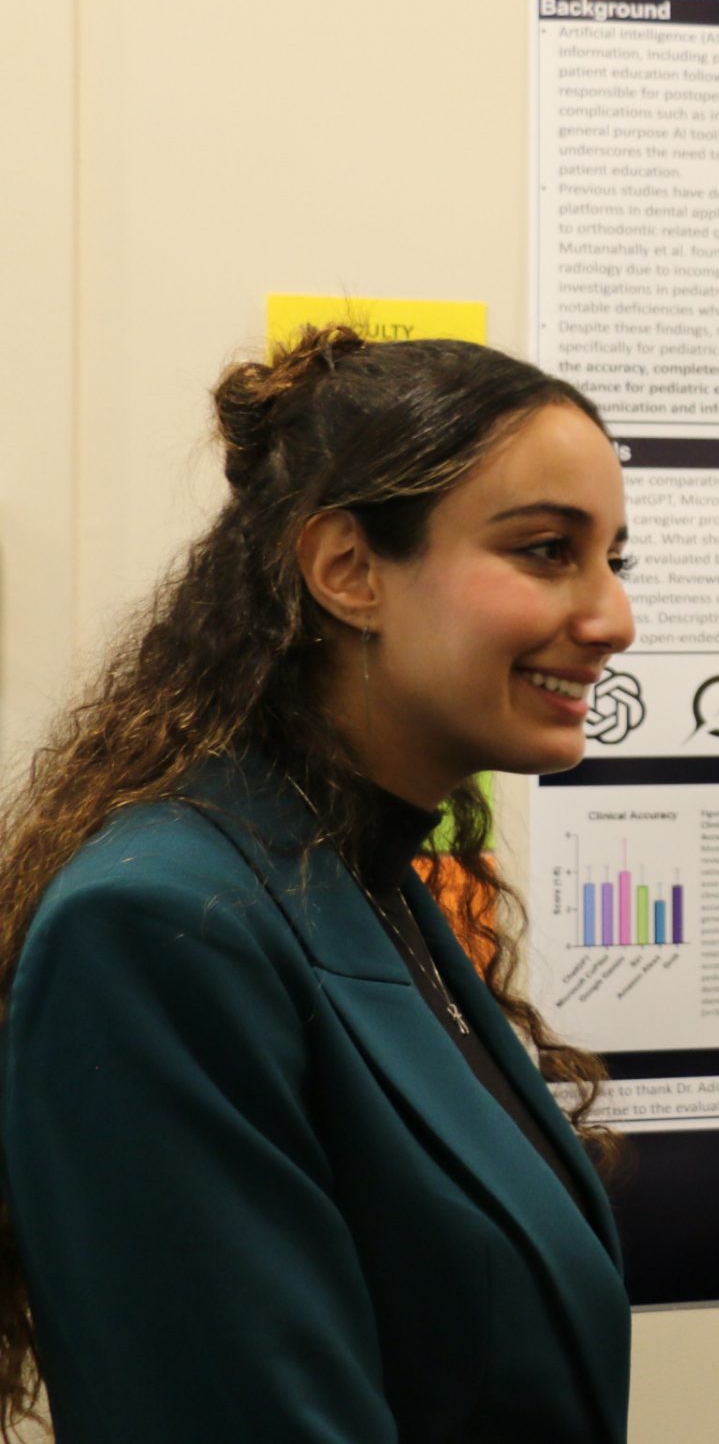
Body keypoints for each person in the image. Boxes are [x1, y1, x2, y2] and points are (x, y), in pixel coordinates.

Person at [0, 327, 636, 1440]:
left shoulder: (363, 875)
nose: (610, 619)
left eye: (612, 561)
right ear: (347, 571)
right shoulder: (162, 924)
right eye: (544, 551)